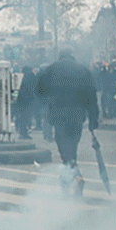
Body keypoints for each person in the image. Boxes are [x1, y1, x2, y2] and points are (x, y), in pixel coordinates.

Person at [35, 50, 100, 197]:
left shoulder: (51, 69)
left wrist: (48, 103)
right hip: (77, 116)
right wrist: (93, 119)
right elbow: (91, 96)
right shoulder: (83, 70)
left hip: (58, 115)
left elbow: (39, 90)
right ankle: (70, 178)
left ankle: (73, 177)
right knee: (72, 148)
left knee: (64, 149)